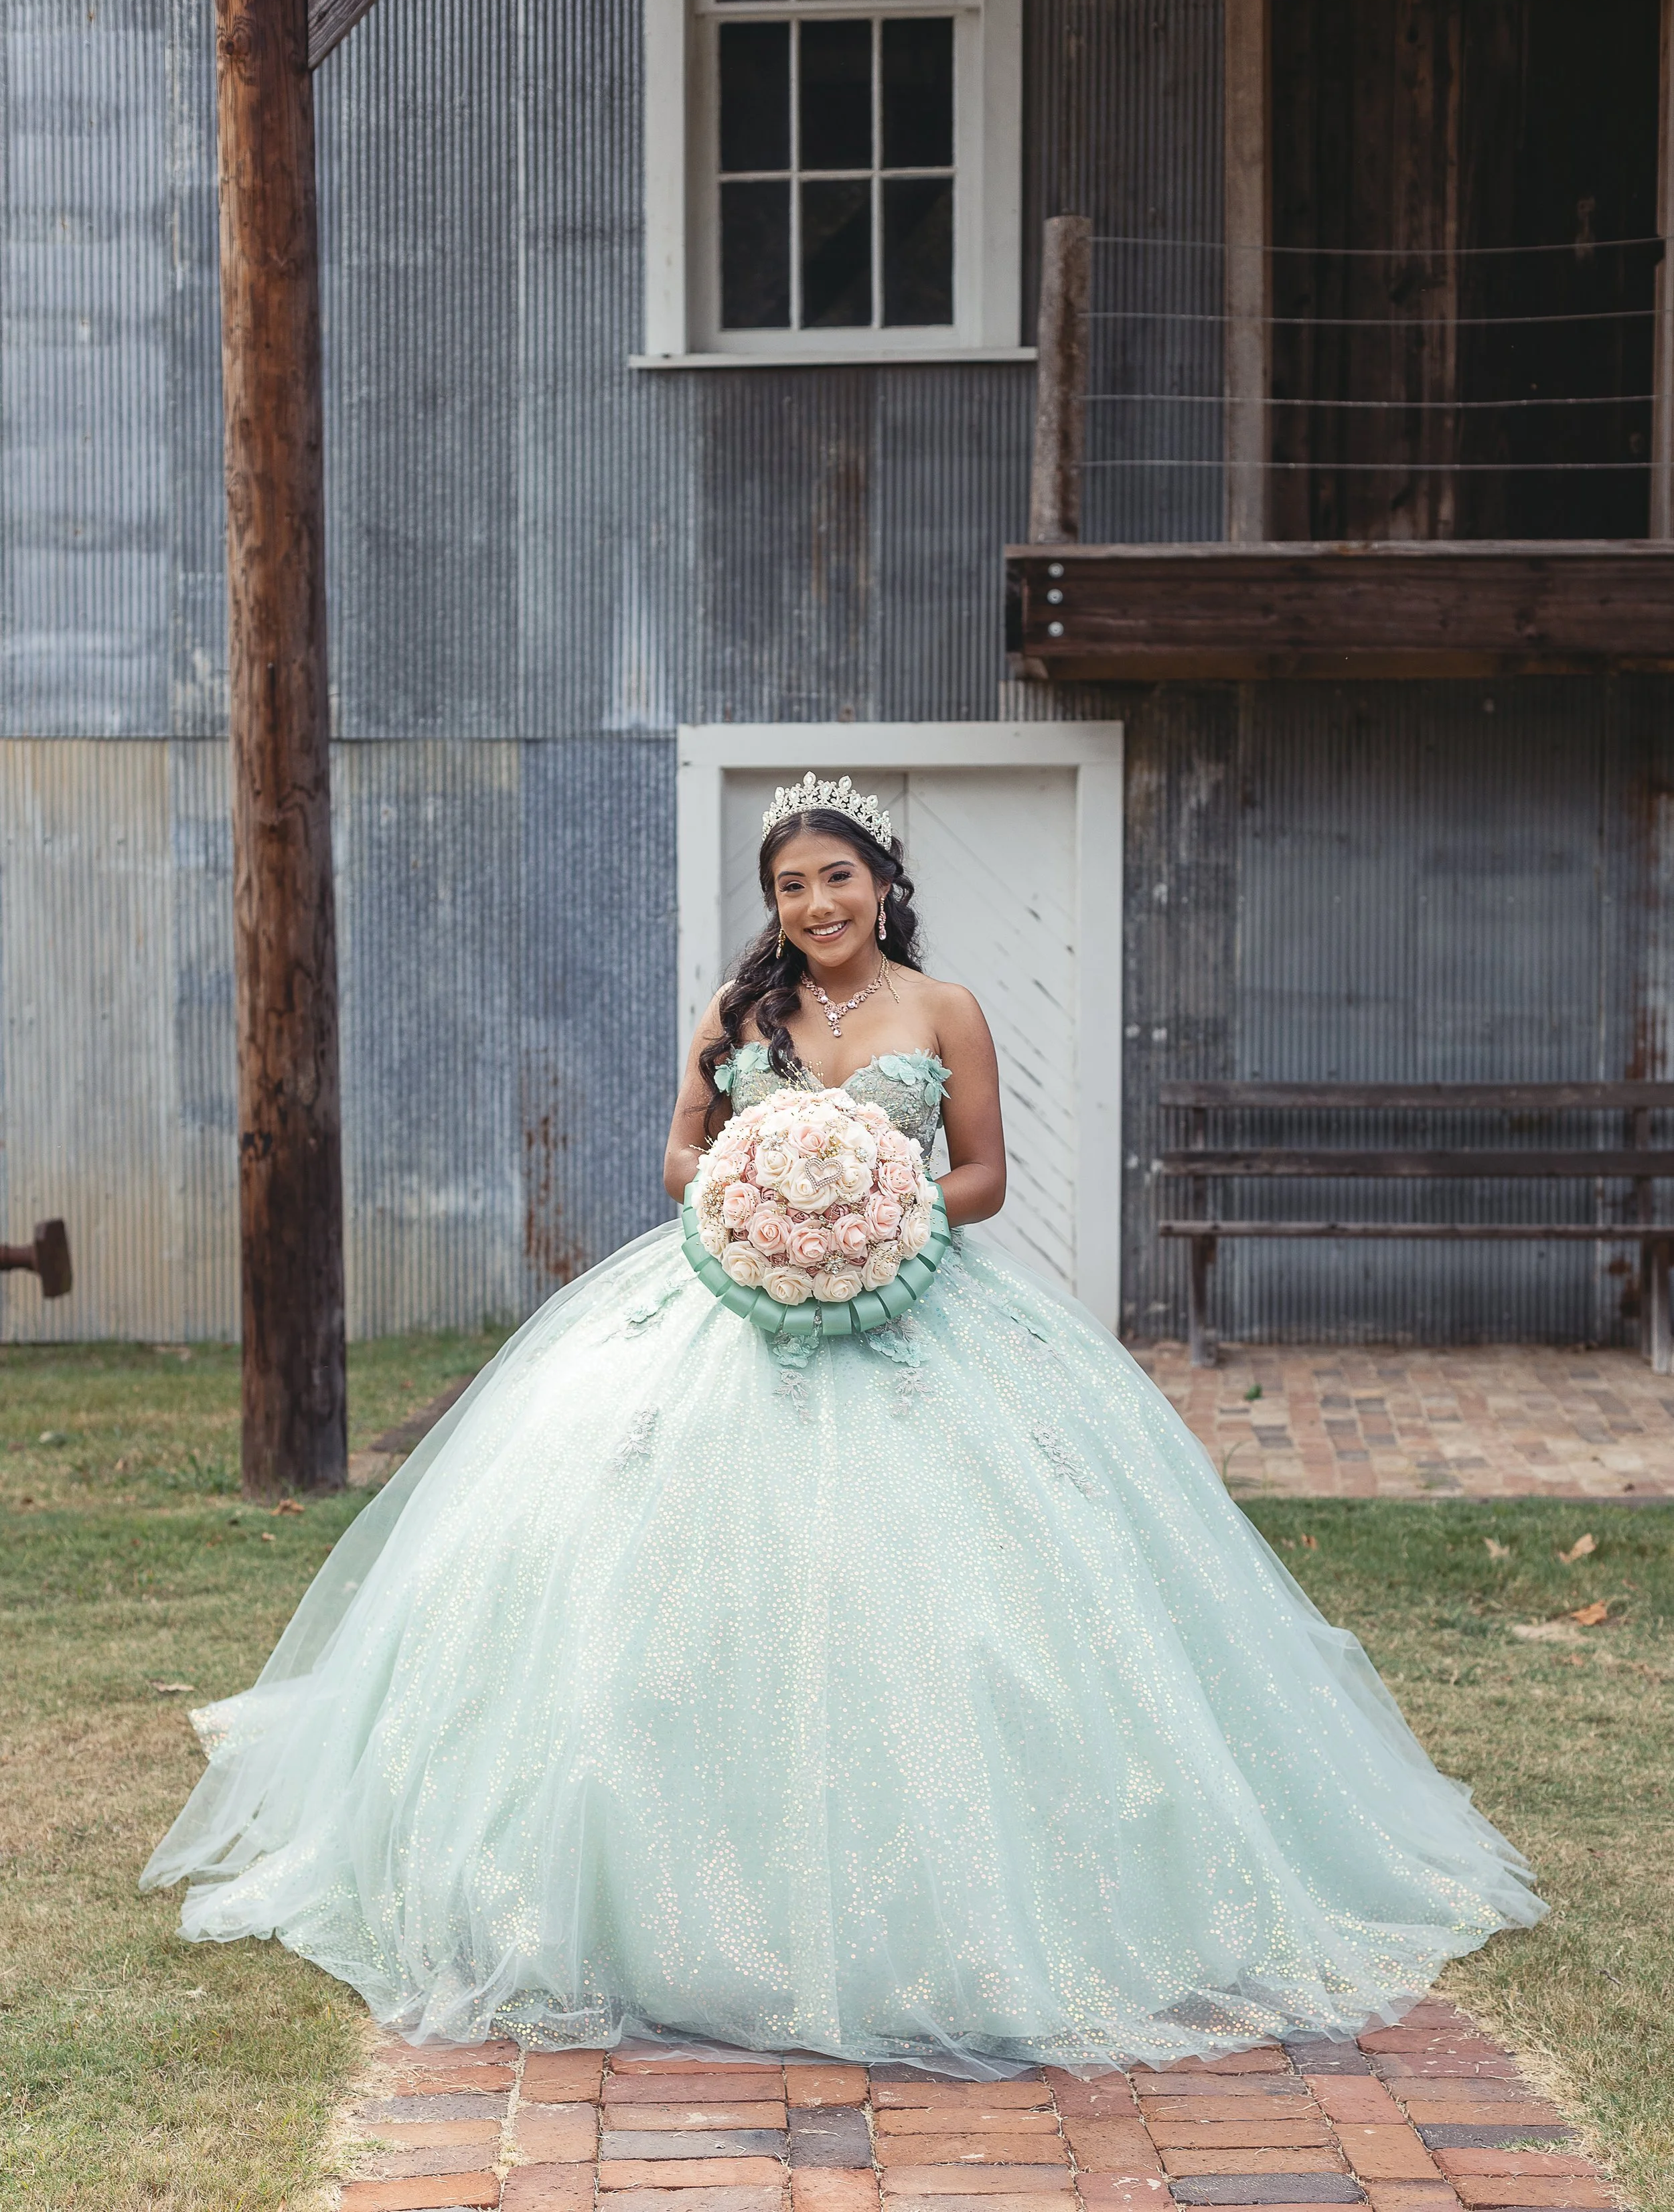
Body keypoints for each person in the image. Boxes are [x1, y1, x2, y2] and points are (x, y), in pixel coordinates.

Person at [141, 773, 1543, 2072]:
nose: (815, 905)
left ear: (882, 880)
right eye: (791, 887)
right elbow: (678, 1154)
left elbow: (984, 1174)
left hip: (918, 1309)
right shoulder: (739, 1012)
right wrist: (759, 1179)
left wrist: (880, 1196)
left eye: (837, 877)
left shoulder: (945, 1011)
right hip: (729, 1311)